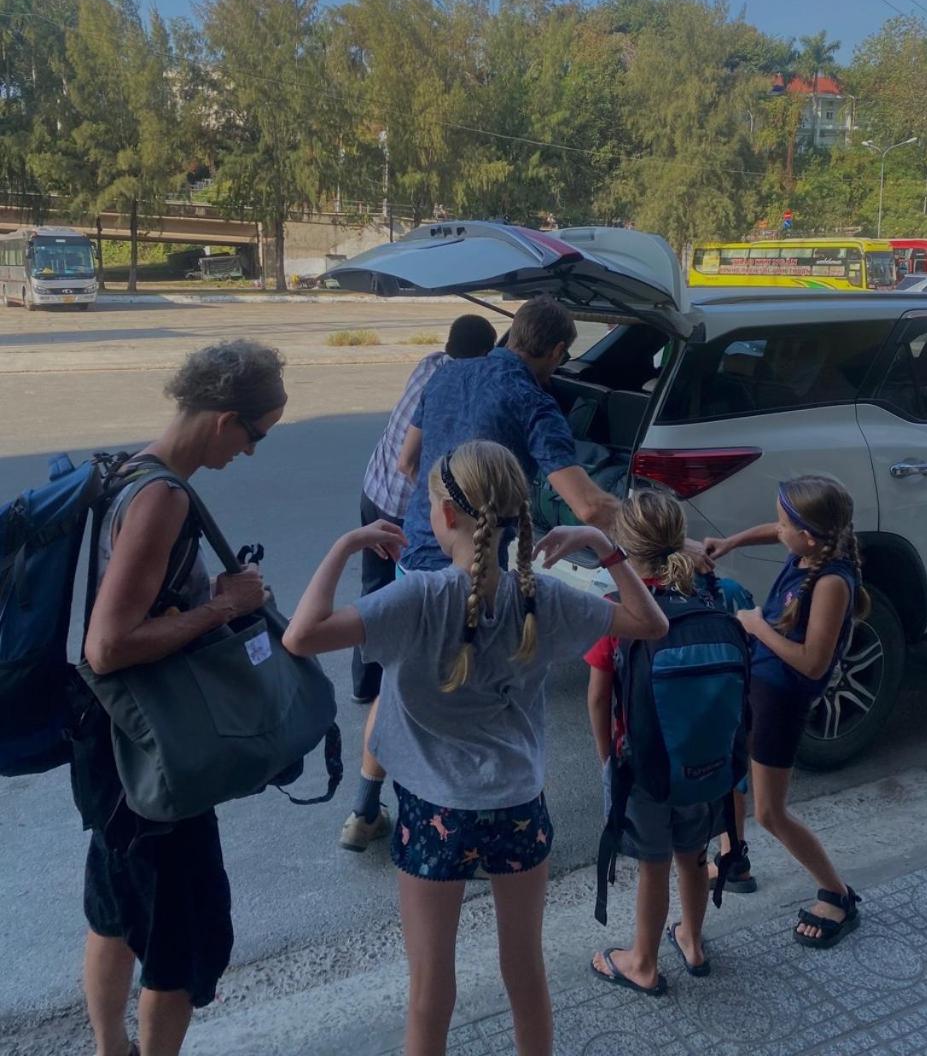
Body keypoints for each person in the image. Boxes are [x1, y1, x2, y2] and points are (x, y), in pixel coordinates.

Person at [283, 440, 668, 1056]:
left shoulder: (416, 598)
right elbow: (651, 624)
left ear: (445, 516)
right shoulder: (543, 596)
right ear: (517, 513)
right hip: (518, 804)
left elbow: (301, 636)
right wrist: (603, 546)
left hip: (434, 810)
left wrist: (345, 546)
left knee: (429, 986)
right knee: (526, 970)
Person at [340, 295, 623, 852]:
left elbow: (407, 461)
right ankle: (474, 810)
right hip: (478, 562)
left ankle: (363, 811)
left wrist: (444, 508)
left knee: (400, 683)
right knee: (482, 688)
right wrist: (662, 530)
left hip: (420, 551)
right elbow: (588, 505)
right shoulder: (533, 401)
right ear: (557, 351)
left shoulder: (446, 374)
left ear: (513, 332)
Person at [79, 340, 286, 1056]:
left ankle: (110, 1048)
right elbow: (108, 645)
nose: (250, 451)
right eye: (256, 435)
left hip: (110, 741)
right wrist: (225, 607)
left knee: (114, 911)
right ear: (226, 419)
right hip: (150, 755)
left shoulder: (126, 470)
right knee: (180, 936)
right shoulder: (162, 498)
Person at [704, 475, 868, 948]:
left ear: (809, 535)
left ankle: (837, 894)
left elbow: (813, 662)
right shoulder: (808, 551)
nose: (776, 530)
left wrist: (758, 626)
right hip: (759, 683)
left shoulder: (831, 582)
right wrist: (730, 542)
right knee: (732, 765)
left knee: (772, 813)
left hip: (781, 701)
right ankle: (733, 857)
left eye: (783, 524)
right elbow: (774, 531)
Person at [585, 490, 727, 994]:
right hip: (704, 759)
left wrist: (608, 758)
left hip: (643, 767)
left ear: (625, 546)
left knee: (654, 864)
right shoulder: (709, 596)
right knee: (694, 854)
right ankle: (692, 941)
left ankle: (642, 962)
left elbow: (598, 697)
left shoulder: (617, 609)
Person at [352, 313, 497, 707]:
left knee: (373, 587)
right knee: (397, 601)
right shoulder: (452, 385)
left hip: (372, 488)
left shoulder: (430, 363)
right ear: (483, 356)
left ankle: (364, 685)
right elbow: (408, 464)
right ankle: (390, 688)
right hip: (398, 503)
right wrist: (434, 501)